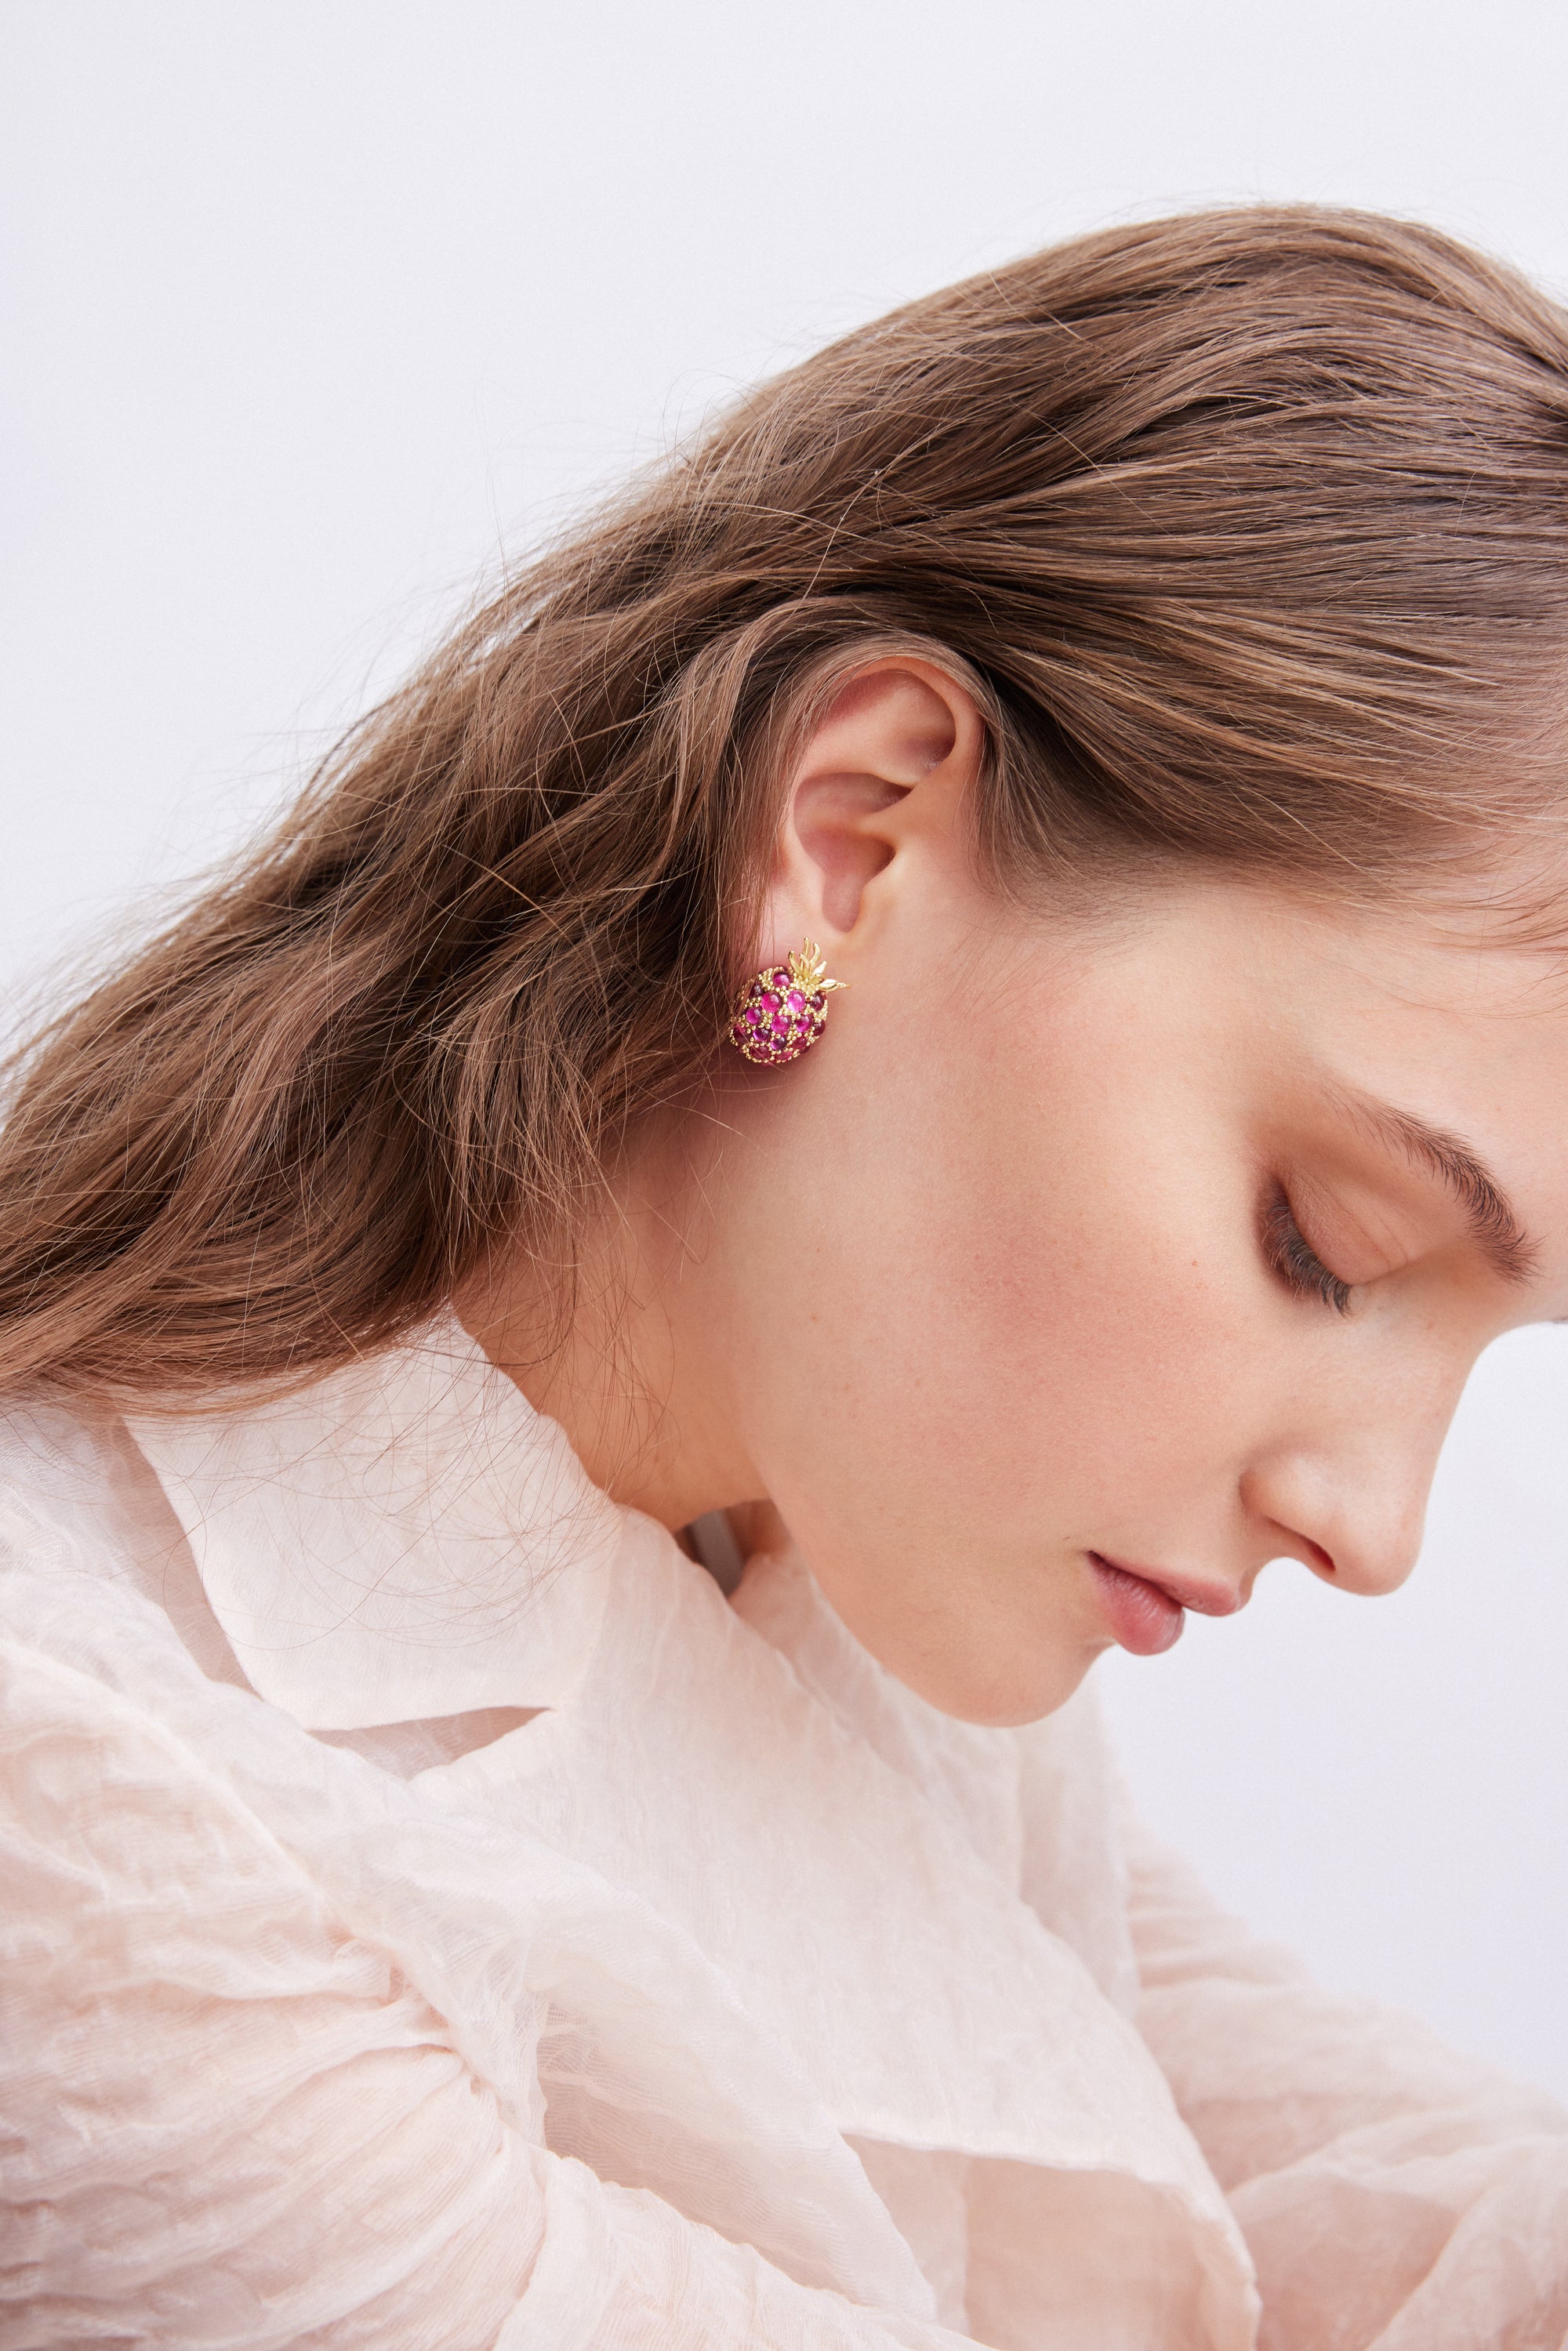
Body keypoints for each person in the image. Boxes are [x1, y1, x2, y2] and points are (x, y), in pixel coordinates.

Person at [3, 205, 1568, 2351]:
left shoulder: (825, 1550)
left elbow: (1280, 2176)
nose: (1372, 1528)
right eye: (1327, 1241)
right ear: (855, 845)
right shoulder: (74, 1797)